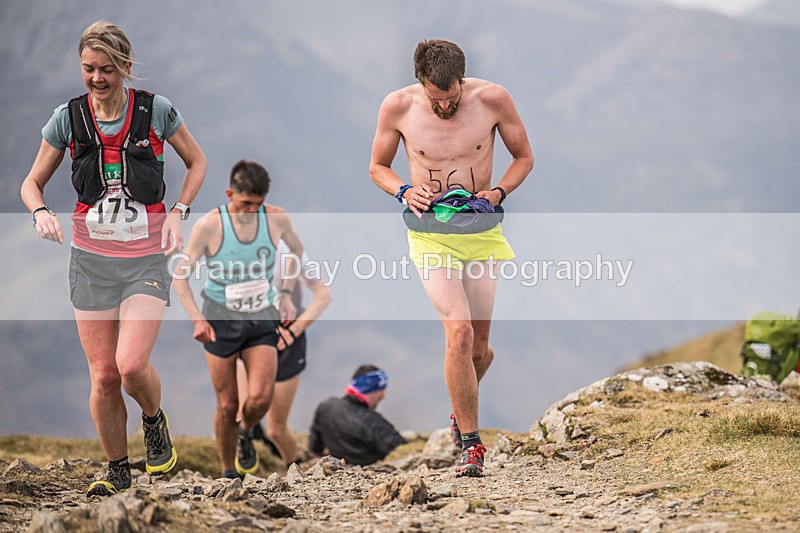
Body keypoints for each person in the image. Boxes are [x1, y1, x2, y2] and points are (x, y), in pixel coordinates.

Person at [20, 21, 206, 496]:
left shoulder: (155, 111)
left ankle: (153, 418)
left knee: (129, 366)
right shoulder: (67, 117)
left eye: (106, 69)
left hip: (146, 258)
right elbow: (31, 183)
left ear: (125, 67)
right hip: (91, 260)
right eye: (88, 69)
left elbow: (197, 162)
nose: (97, 78)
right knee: (103, 375)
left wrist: (179, 212)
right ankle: (118, 470)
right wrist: (40, 212)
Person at [368, 39, 533, 477]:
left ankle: (461, 406)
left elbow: (523, 158)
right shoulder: (398, 107)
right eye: (436, 98)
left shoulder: (493, 99)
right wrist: (404, 189)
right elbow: (378, 167)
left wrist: (497, 192)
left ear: (463, 79)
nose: (444, 107)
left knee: (479, 350)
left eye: (452, 96)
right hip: (429, 234)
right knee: (458, 333)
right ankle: (472, 446)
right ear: (420, 82)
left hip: (481, 231)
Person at [172, 160, 303, 479]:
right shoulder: (209, 225)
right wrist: (196, 319)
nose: (251, 211)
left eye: (258, 204)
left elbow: (296, 251)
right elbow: (180, 276)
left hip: (261, 318)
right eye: (245, 203)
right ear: (231, 193)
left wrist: (285, 294)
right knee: (228, 404)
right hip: (220, 320)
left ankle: (246, 432)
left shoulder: (275, 218)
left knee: (260, 397)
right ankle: (228, 470)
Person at [235, 241, 332, 466]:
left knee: (276, 428)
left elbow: (323, 295)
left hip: (287, 340)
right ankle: (240, 475)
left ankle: (295, 469)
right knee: (241, 414)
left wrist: (294, 331)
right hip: (252, 335)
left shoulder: (288, 250)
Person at [308, 365, 406, 466]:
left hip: (339, 467)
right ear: (368, 388)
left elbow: (315, 448)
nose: (383, 395)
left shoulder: (326, 406)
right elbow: (404, 451)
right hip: (369, 473)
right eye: (380, 389)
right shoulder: (373, 422)